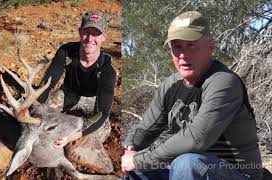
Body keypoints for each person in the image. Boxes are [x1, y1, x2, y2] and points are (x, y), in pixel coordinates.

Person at [122, 11, 262, 180]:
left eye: (191, 45)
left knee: (187, 164)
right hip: (187, 170)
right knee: (130, 170)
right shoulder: (170, 84)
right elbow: (145, 129)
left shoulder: (223, 83)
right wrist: (128, 149)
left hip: (239, 173)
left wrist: (138, 160)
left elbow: (197, 138)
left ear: (210, 46)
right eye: (177, 47)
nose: (183, 55)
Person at [38, 10, 116, 149]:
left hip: (93, 100)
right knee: (42, 112)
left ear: (104, 37)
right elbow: (48, 83)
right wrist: (38, 107)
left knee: (100, 131)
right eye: (86, 32)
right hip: (69, 93)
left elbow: (102, 112)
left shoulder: (107, 68)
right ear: (80, 32)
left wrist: (71, 137)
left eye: (96, 33)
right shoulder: (66, 51)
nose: (90, 38)